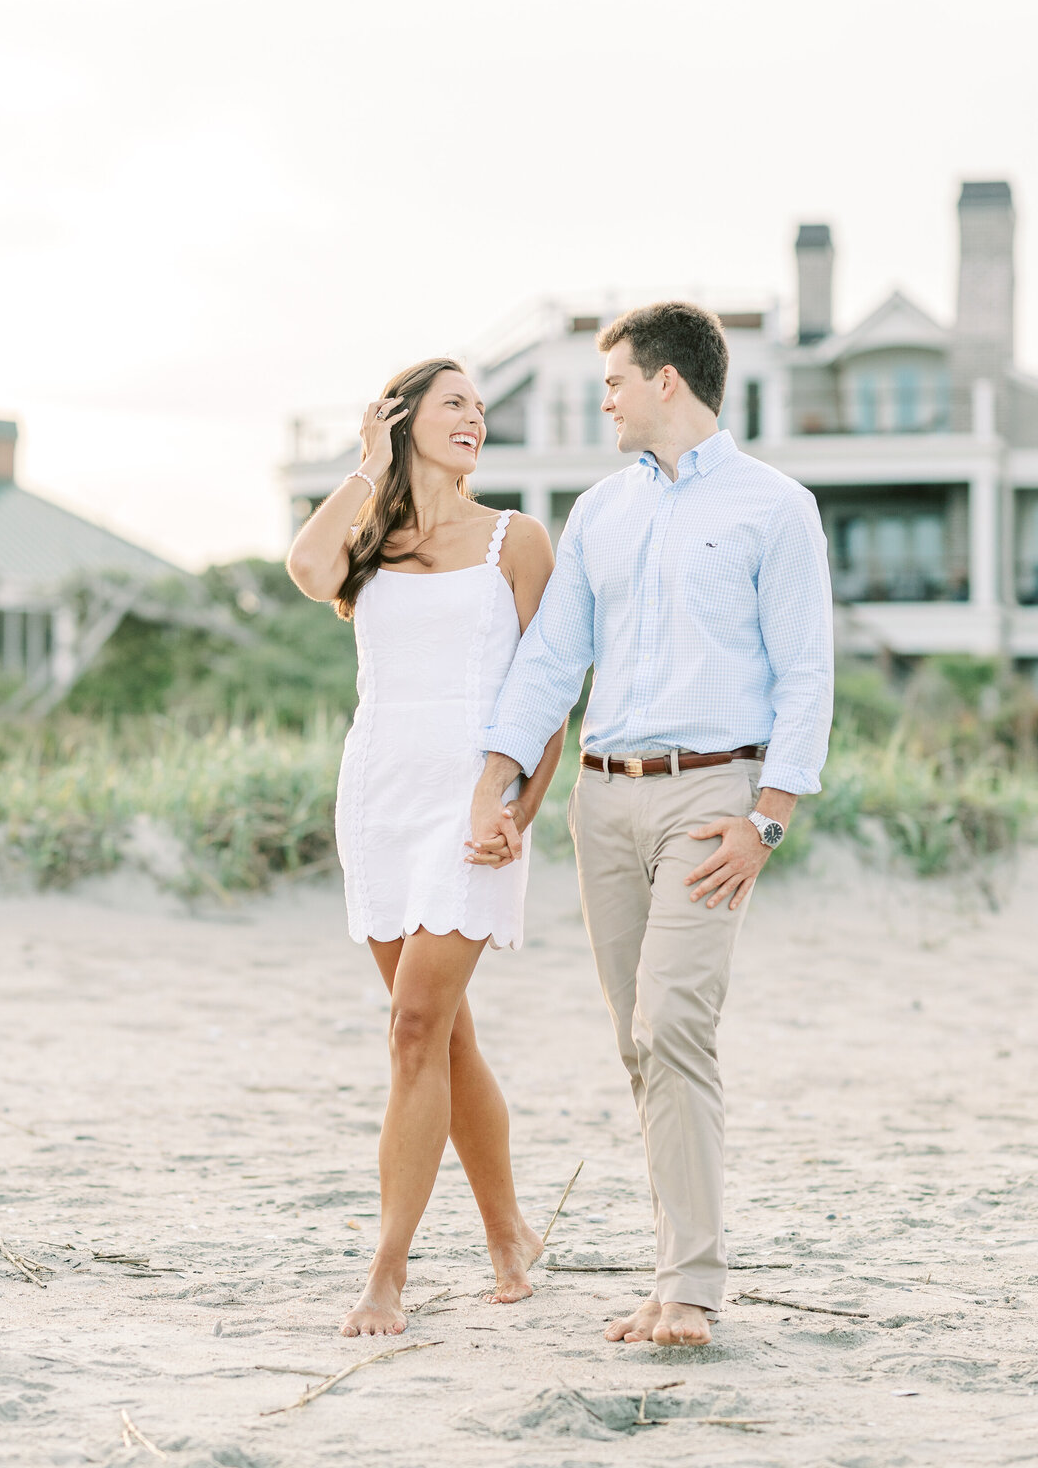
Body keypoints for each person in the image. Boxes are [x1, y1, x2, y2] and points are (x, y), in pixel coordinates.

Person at [468, 302, 833, 1348]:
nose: (606, 399)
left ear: (667, 380)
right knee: (640, 1046)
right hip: (601, 802)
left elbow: (807, 670)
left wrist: (768, 821)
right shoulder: (599, 512)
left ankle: (694, 1290)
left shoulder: (776, 507)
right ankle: (673, 1274)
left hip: (710, 803)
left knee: (670, 1024)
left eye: (616, 381)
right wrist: (497, 783)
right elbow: (550, 663)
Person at [288, 356, 566, 1339]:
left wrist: (519, 812)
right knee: (443, 1032)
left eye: (482, 410)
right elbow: (307, 570)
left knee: (412, 1029)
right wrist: (367, 466)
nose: (475, 420)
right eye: (456, 404)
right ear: (404, 419)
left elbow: (548, 693)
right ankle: (507, 1235)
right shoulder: (369, 535)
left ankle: (387, 1273)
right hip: (379, 797)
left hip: (472, 804)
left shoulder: (518, 539)